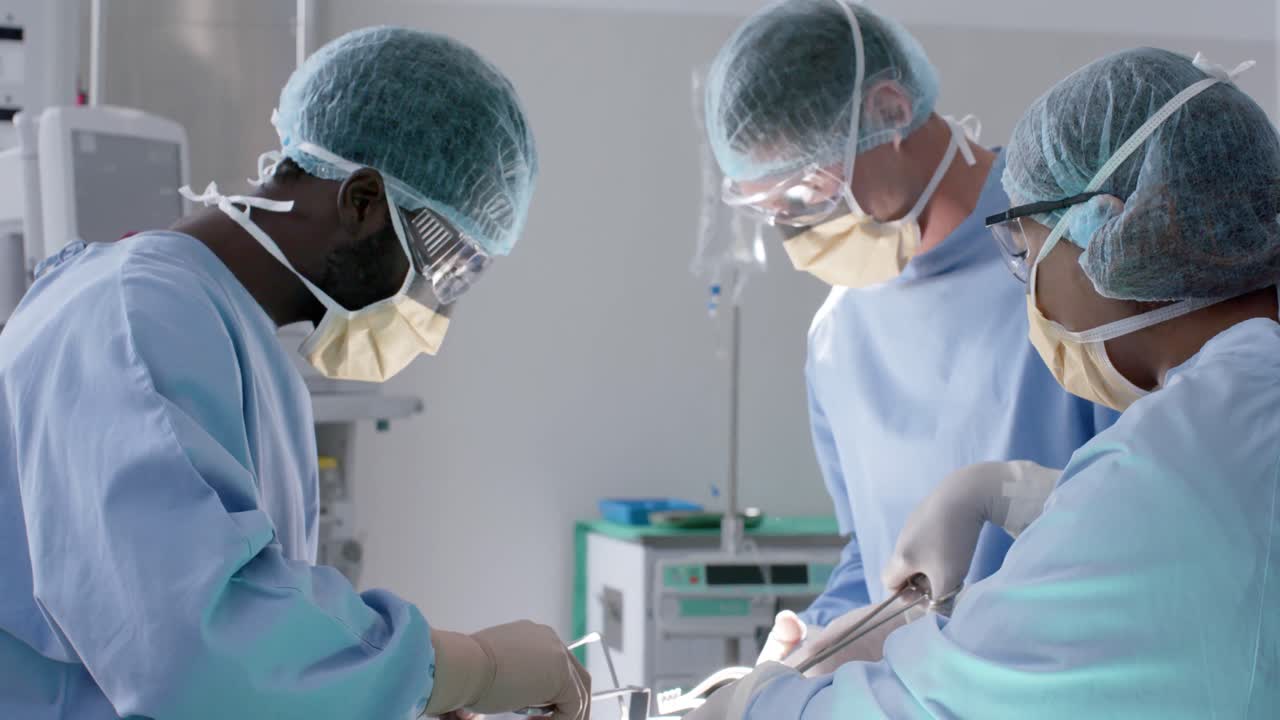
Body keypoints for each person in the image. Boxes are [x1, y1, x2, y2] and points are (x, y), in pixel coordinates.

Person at [0, 26, 591, 720]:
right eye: (442, 265)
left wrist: (381, 696)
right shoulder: (138, 317)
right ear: (363, 201)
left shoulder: (227, 334)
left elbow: (256, 621)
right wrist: (469, 668)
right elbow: (205, 651)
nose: (435, 306)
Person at [688, 46, 1280, 718]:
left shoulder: (1180, 457)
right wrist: (1023, 497)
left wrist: (765, 706)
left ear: (1130, 231)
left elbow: (945, 702)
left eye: (1028, 255)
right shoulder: (1240, 404)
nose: (1027, 290)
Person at [704, 0, 1116, 659]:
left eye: (808, 193)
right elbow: (870, 562)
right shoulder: (837, 338)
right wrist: (823, 633)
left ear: (891, 111)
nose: (798, 230)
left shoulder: (1074, 260)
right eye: (773, 210)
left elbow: (1156, 511)